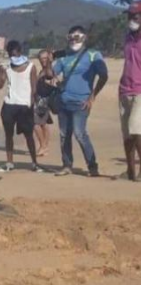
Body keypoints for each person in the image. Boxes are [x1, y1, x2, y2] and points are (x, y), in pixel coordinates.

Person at [53, 25, 108, 177]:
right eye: (70, 37)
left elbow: (103, 75)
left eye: (76, 37)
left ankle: (92, 167)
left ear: (84, 38)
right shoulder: (63, 57)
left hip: (81, 102)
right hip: (63, 101)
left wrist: (92, 96)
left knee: (80, 134)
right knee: (64, 135)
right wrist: (49, 60)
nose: (73, 40)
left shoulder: (93, 55)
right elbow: (51, 74)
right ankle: (66, 165)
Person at [0, 40, 43, 172]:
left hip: (24, 106)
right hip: (9, 105)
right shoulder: (7, 67)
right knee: (8, 135)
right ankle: (9, 163)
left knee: (29, 135)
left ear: (20, 52)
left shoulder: (31, 67)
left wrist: (33, 105)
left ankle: (35, 163)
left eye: (15, 53)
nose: (13, 56)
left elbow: (34, 89)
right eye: (10, 54)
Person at [119, 1, 141, 181]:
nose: (131, 19)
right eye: (129, 16)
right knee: (127, 134)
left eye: (135, 16)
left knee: (136, 130)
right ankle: (130, 170)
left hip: (140, 90)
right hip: (124, 89)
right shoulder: (128, 37)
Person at [34, 49, 56, 156]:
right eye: (41, 58)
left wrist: (49, 63)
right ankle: (45, 147)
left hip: (44, 101)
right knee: (43, 124)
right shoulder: (42, 70)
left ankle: (43, 146)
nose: (43, 60)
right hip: (40, 100)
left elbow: (50, 75)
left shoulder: (49, 70)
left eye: (45, 58)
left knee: (35, 124)